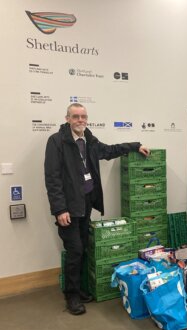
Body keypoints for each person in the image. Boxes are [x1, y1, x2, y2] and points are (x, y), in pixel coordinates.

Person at [44, 103, 150, 315]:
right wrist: (59, 209)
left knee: (82, 248)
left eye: (83, 116)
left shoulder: (89, 140)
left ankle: (79, 289)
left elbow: (110, 151)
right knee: (74, 250)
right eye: (76, 117)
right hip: (68, 209)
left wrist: (134, 145)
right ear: (67, 119)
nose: (80, 120)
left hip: (85, 205)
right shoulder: (57, 142)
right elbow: (52, 178)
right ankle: (72, 296)